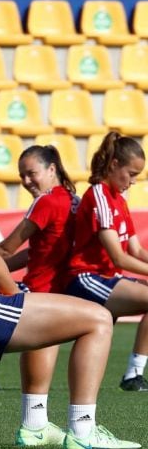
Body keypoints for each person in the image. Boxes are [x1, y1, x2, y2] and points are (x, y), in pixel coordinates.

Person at [0, 80, 136, 449]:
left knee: (44, 319)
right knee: (98, 320)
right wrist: (10, 296)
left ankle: (36, 425)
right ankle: (84, 431)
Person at [0, 145, 79, 444]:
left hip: (40, 292)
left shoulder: (45, 202)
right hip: (59, 292)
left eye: (32, 173)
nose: (27, 181)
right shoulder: (70, 200)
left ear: (52, 169)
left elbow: (6, 247)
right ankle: (38, 425)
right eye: (21, 176)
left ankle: (35, 425)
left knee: (41, 346)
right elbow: (38, 251)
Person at [62, 132, 148, 392]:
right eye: (130, 174)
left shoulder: (119, 200)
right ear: (113, 165)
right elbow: (118, 256)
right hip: (85, 279)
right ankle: (132, 375)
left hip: (106, 278)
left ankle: (134, 374)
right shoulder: (99, 194)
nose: (132, 182)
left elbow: (136, 249)